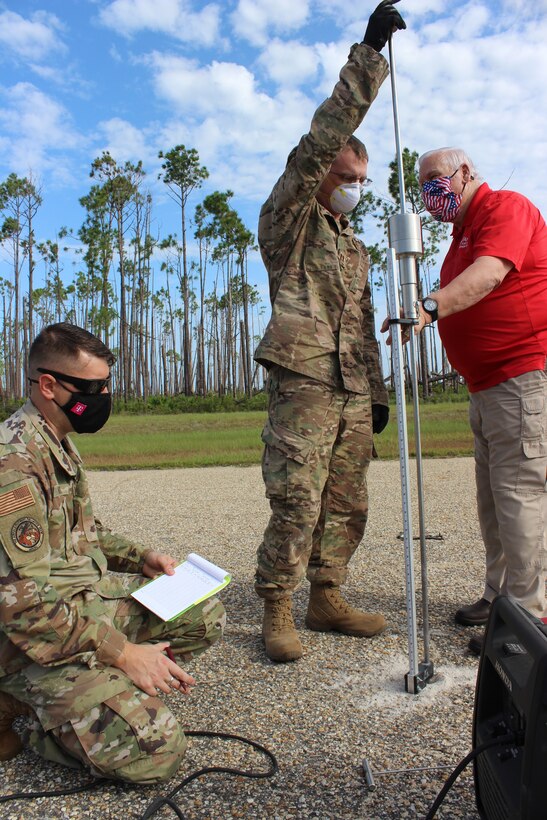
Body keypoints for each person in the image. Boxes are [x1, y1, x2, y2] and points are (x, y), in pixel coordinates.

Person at [0, 323, 226, 780]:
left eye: (106, 385)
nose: (103, 396)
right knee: (157, 751)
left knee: (204, 614)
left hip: (76, 611)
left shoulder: (54, 439)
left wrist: (141, 557)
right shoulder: (13, 463)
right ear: (48, 385)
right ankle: (28, 710)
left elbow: (85, 530)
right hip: (27, 642)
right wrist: (122, 653)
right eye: (93, 388)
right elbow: (21, 611)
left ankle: (100, 691)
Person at [253, 1, 406, 663]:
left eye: (360, 182)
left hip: (348, 386)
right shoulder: (289, 218)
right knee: (296, 498)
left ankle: (326, 593)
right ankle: (276, 607)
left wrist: (374, 392)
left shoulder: (353, 247)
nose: (351, 190)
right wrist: (369, 55)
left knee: (347, 501)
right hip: (306, 380)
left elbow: (365, 325)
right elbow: (324, 136)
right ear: (319, 177)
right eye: (342, 178)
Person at [399, 147, 547, 654]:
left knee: (520, 496)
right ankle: (499, 596)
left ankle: (528, 620)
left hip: (522, 378)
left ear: (465, 173)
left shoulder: (505, 208)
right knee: (493, 502)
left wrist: (429, 306)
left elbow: (489, 275)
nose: (429, 193)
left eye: (435, 179)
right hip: (485, 387)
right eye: (423, 186)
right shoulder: (460, 237)